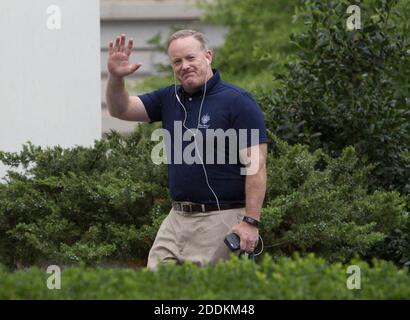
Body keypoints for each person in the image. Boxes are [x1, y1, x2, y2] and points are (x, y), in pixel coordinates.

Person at [106, 30, 267, 270]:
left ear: (208, 56)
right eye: (177, 61)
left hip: (221, 217)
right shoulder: (168, 98)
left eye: (191, 58)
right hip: (177, 218)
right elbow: (121, 109)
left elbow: (257, 166)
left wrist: (251, 222)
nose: (185, 66)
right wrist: (115, 78)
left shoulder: (238, 101)